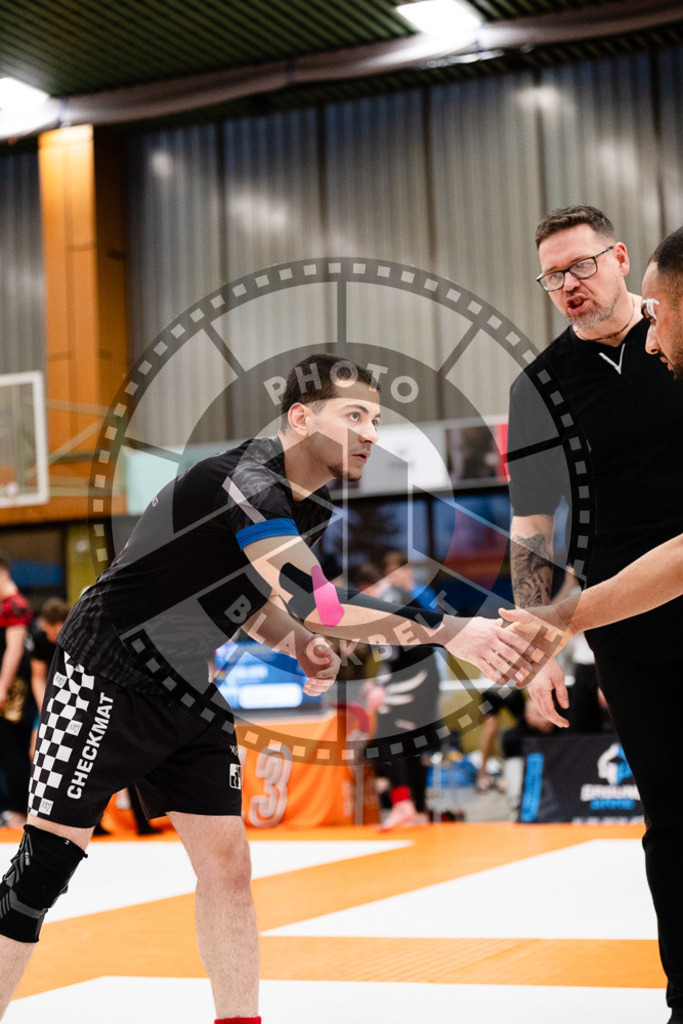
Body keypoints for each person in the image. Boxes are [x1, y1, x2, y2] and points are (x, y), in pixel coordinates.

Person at [0, 354, 544, 1024]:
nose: (371, 433)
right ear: (300, 417)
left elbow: (256, 599)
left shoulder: (308, 502)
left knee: (228, 867)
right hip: (103, 674)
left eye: (375, 418)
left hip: (190, 689)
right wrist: (446, 629)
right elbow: (323, 604)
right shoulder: (247, 482)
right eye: (355, 416)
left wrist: (292, 640)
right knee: (43, 871)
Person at [506, 211, 683, 1023]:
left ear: (619, 258)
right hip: (628, 626)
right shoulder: (538, 388)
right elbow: (532, 531)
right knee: (672, 824)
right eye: (552, 277)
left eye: (579, 266)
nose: (568, 286)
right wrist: (536, 645)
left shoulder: (675, 334)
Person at [0, 556, 34, 830]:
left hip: (13, 692)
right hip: (7, 689)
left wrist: (2, 687)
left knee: (14, 751)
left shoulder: (15, 605)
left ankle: (19, 810)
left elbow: (14, 650)